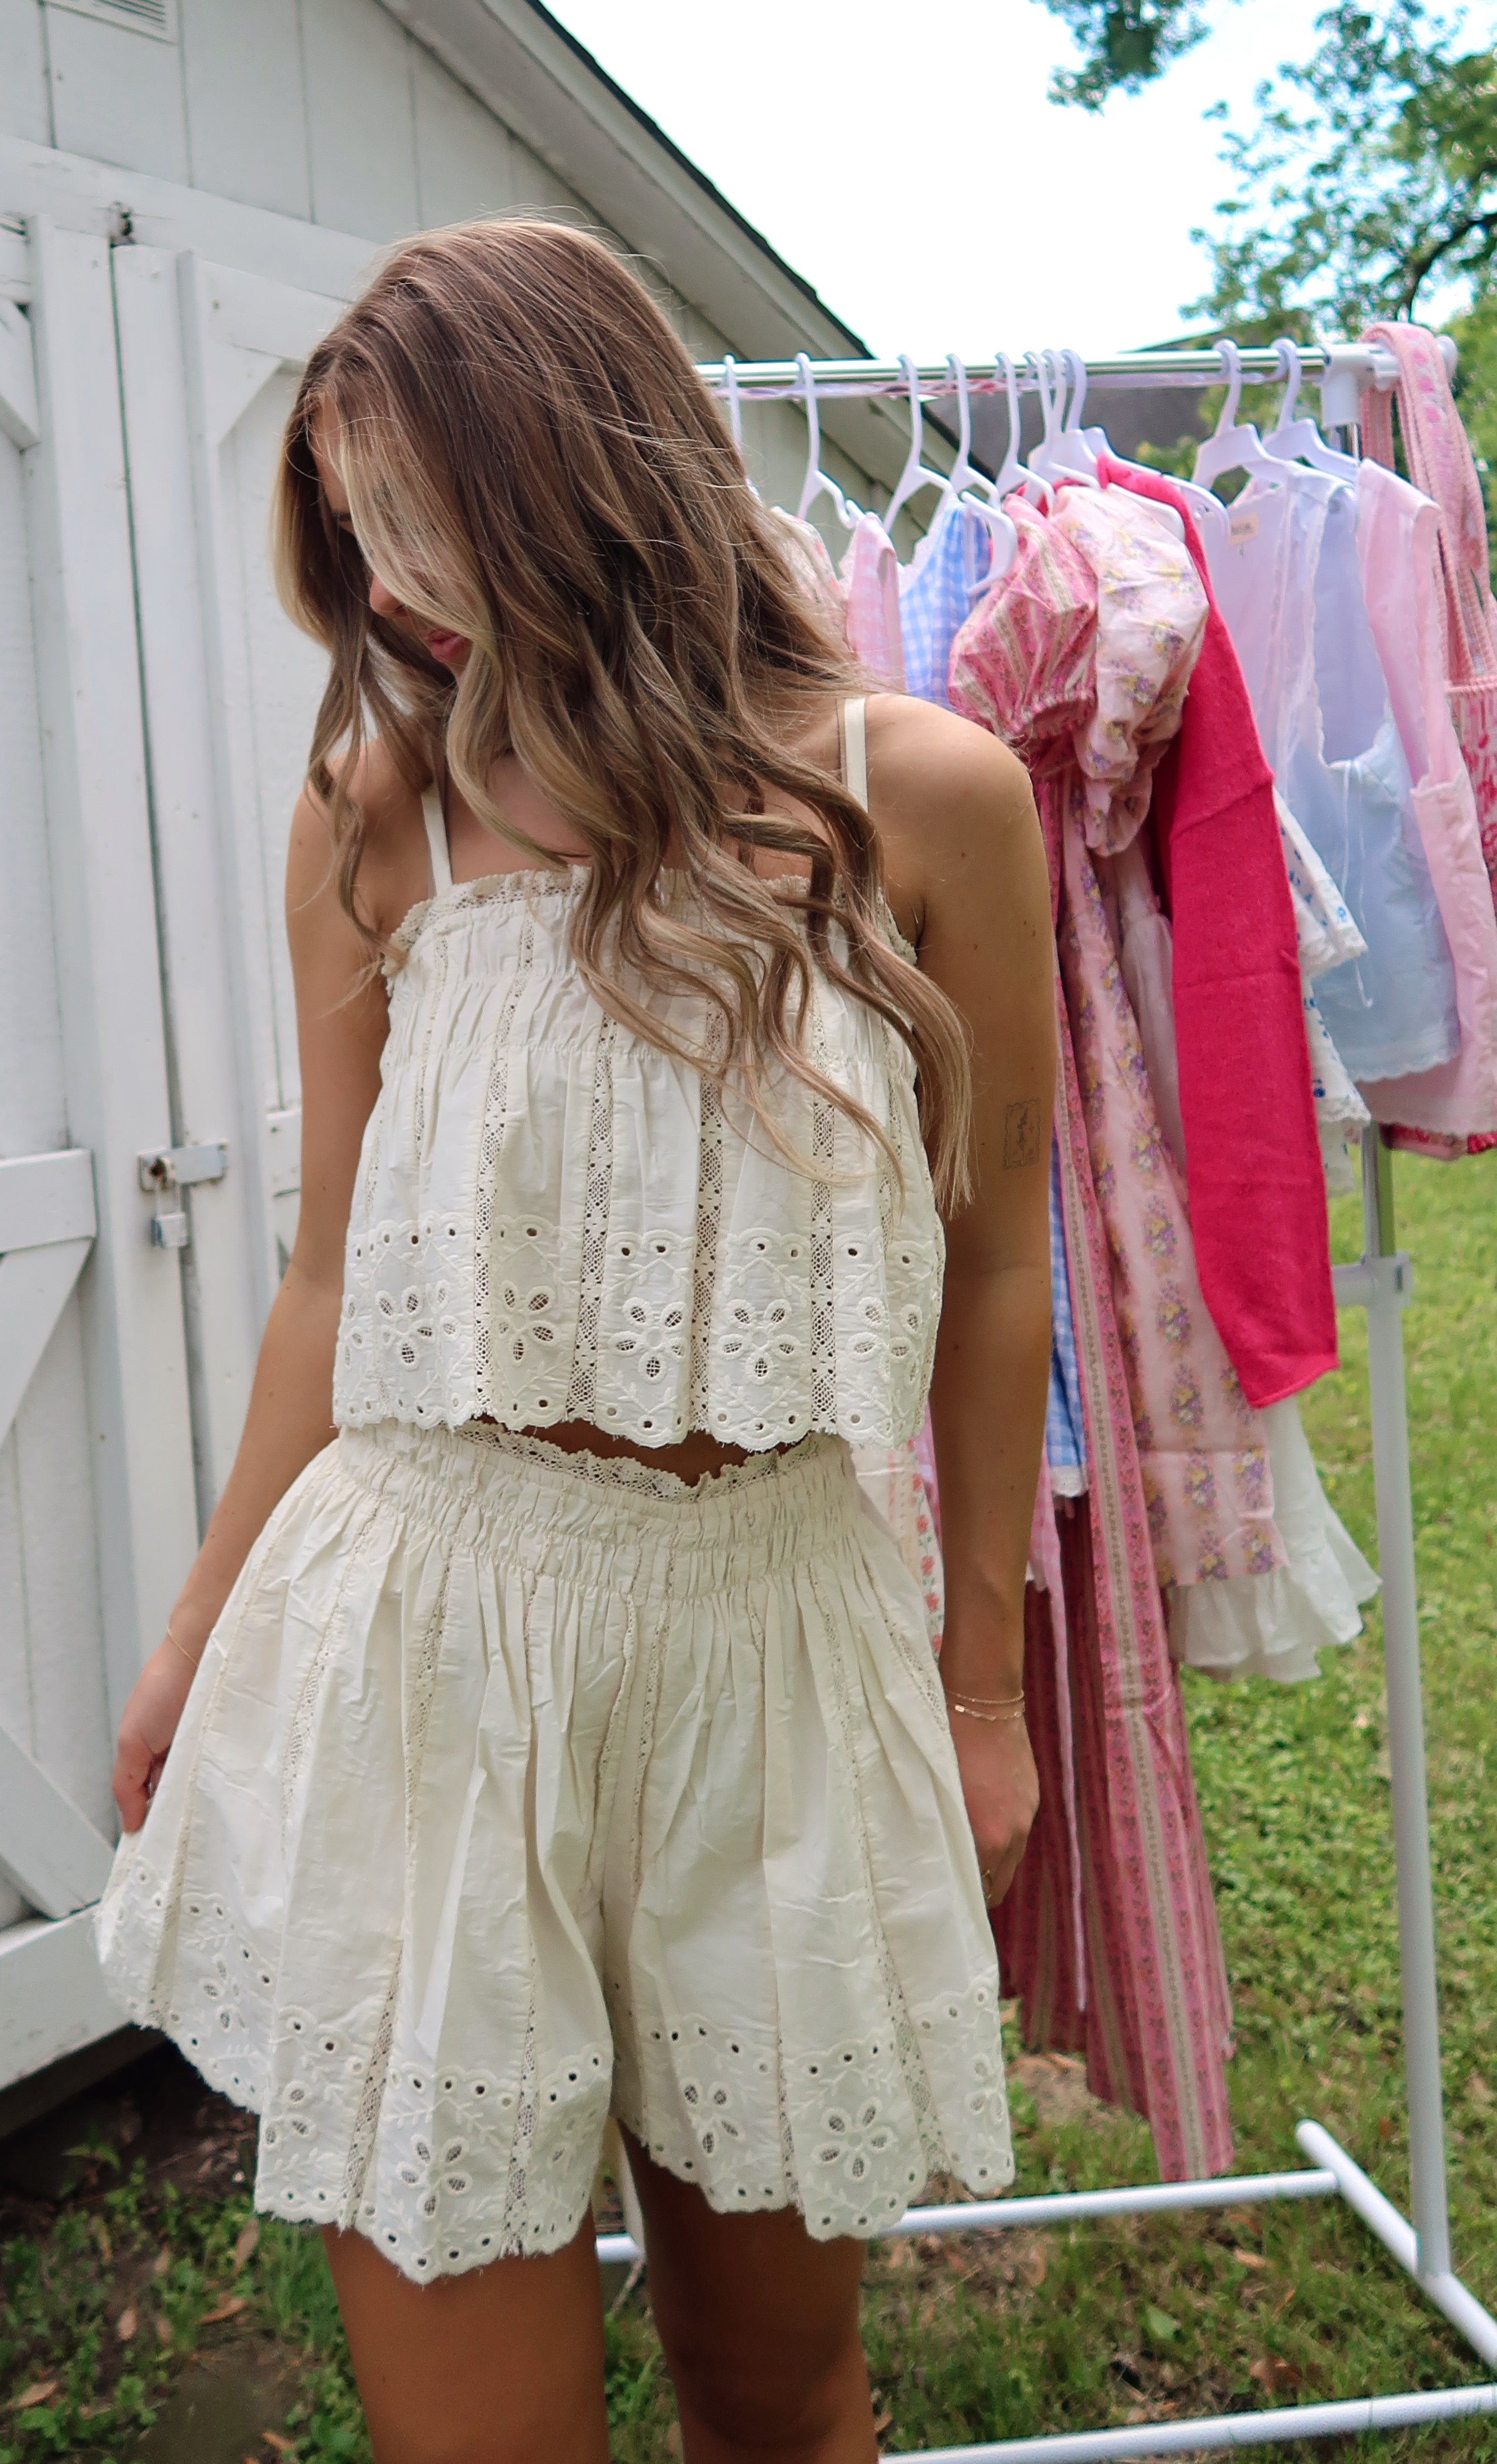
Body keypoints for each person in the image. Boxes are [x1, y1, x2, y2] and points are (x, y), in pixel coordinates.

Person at [98, 222, 1052, 2464]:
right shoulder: (380, 812)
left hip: (775, 1655)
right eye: (354, 534)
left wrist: (988, 1689)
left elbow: (1001, 1255)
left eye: (417, 516)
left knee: (778, 2396)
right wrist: (198, 1626)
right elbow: (332, 1276)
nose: (393, 587)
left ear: (572, 471)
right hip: (432, 1651)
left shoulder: (927, 795)